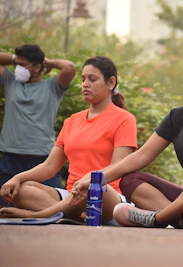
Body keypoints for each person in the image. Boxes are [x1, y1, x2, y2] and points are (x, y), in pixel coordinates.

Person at [68, 52, 183, 229]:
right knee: (130, 179)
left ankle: (158, 219)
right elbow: (142, 156)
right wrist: (97, 179)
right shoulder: (177, 116)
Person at [0, 56, 137, 225]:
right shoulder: (72, 121)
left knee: (95, 187)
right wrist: (17, 178)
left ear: (110, 83)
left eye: (92, 79)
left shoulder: (124, 119)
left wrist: (88, 181)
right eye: (83, 79)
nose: (85, 84)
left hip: (106, 195)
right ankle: (69, 216)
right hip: (71, 196)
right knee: (21, 189)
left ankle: (42, 214)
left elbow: (118, 166)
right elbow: (49, 166)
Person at [0, 44, 76, 207]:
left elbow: (70, 68)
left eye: (23, 65)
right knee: (6, 210)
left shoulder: (52, 87)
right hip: (12, 158)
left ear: (37, 68)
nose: (18, 68)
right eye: (17, 64)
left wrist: (50, 62)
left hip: (43, 161)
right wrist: (14, 59)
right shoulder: (11, 82)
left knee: (56, 208)